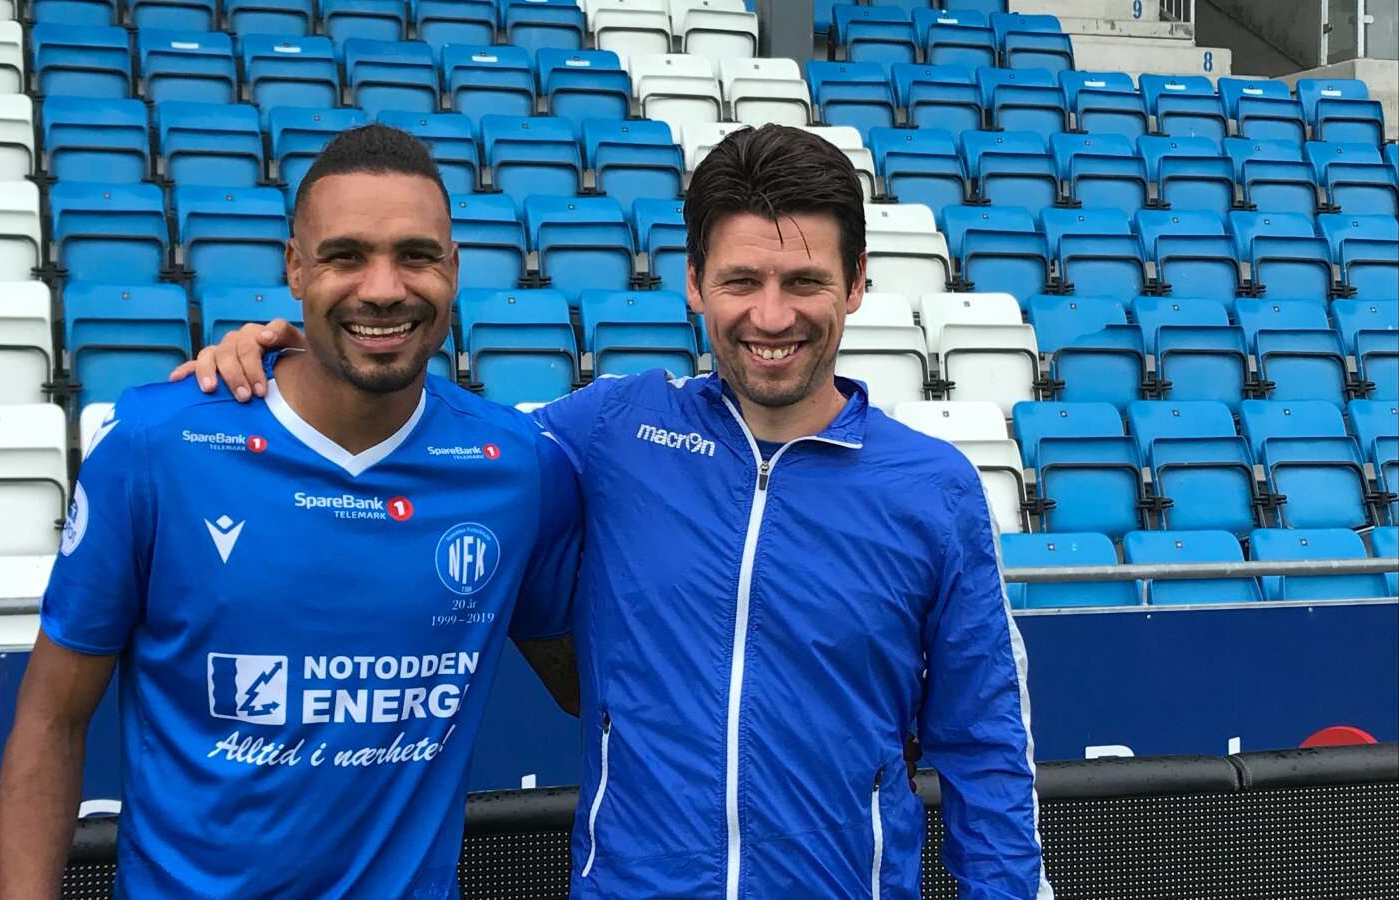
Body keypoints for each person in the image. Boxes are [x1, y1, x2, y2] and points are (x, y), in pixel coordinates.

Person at [182, 125, 1053, 898]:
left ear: (856, 283)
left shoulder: (934, 489)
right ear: (694, 284)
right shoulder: (614, 430)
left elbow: (986, 748)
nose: (771, 314)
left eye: (805, 281)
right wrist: (297, 361)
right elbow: (434, 442)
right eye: (741, 279)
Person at [0, 124, 583, 898]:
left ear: (454, 268)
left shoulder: (518, 468)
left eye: (415, 255)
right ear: (296, 269)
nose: (383, 288)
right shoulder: (156, 445)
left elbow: (591, 689)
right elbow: (51, 721)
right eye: (345, 256)